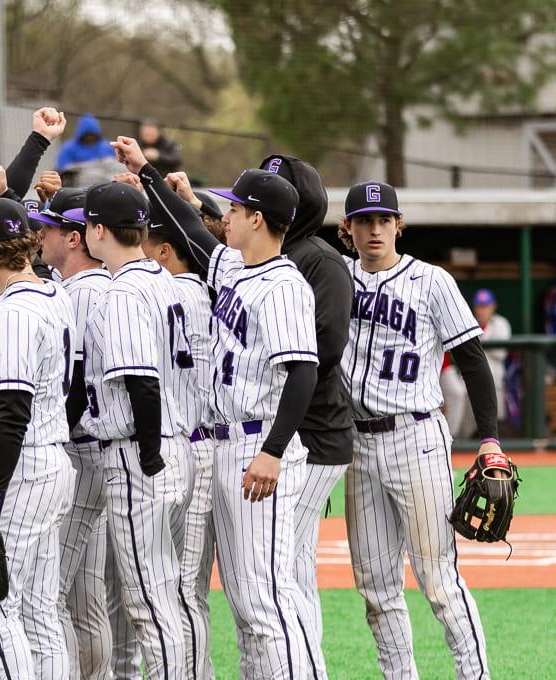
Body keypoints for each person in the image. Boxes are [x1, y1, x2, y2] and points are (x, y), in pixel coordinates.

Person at [128, 138, 319, 678]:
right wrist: (146, 172)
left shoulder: (285, 286)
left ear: (257, 219)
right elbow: (190, 229)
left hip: (260, 445)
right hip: (229, 443)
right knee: (246, 600)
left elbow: (303, 372)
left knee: (268, 598)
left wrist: (273, 451)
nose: (225, 215)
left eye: (234, 209)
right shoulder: (233, 265)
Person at [338, 181, 501, 679]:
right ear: (347, 229)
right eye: (363, 221)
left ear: (398, 225)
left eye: (383, 220)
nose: (374, 229)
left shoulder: (432, 281)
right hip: (357, 445)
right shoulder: (336, 276)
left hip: (416, 438)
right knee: (375, 588)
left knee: (438, 582)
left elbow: (473, 362)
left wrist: (490, 438)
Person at [70, 179, 193, 679]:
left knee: (147, 599)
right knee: (166, 594)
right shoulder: (165, 279)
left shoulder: (122, 291)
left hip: (141, 453)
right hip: (177, 444)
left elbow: (141, 380)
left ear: (97, 230)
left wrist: (146, 454)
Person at [0, 197, 77, 680]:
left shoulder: (13, 312)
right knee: (38, 611)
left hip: (23, 468)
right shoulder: (55, 294)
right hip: (51, 459)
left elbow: (12, 411)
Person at [35, 187, 114, 680]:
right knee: (85, 596)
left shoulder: (80, 292)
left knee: (48, 595)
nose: (39, 235)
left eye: (49, 227)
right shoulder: (101, 286)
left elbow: (77, 386)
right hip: (99, 449)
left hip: (81, 449)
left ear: (75, 236)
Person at [141, 215, 215, 680]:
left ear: (166, 250)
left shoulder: (167, 291)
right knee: (185, 588)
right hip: (201, 442)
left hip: (186, 441)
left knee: (181, 589)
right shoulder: (207, 292)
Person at [442, 289, 512, 437]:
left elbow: (500, 353)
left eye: (486, 305)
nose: (483, 309)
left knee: (496, 416)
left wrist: (476, 347)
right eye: (480, 306)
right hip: (471, 377)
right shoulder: (468, 321)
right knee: (468, 418)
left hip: (496, 376)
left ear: (493, 306)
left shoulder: (501, 324)